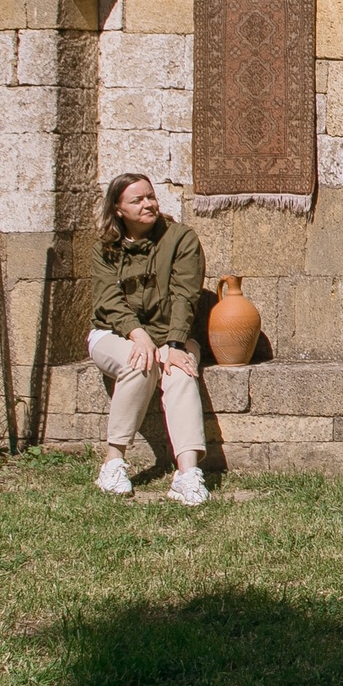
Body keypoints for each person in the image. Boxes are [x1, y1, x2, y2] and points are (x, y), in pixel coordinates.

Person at [87, 173, 211, 506]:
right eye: (137, 200)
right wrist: (137, 334)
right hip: (112, 334)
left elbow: (185, 295)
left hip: (172, 335)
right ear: (117, 209)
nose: (148, 204)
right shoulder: (104, 249)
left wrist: (173, 345)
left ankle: (187, 473)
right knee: (138, 363)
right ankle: (113, 462)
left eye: (151, 197)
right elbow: (107, 301)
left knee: (180, 371)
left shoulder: (181, 239)